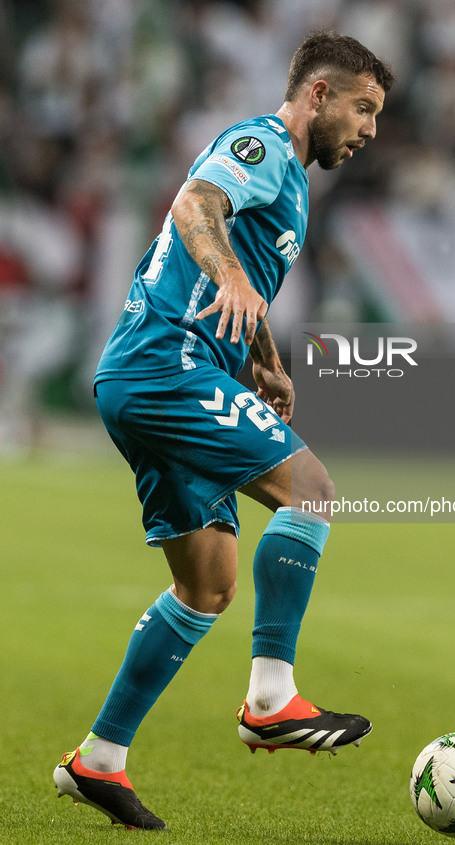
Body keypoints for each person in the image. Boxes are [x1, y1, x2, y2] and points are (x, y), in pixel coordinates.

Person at [53, 30, 394, 831]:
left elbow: (232, 280)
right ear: (317, 95)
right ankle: (270, 699)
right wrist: (233, 273)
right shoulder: (261, 143)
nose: (370, 129)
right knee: (310, 493)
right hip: (165, 368)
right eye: (363, 108)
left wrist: (266, 357)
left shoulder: (292, 183)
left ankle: (97, 760)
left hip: (151, 373)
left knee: (204, 585)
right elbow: (195, 205)